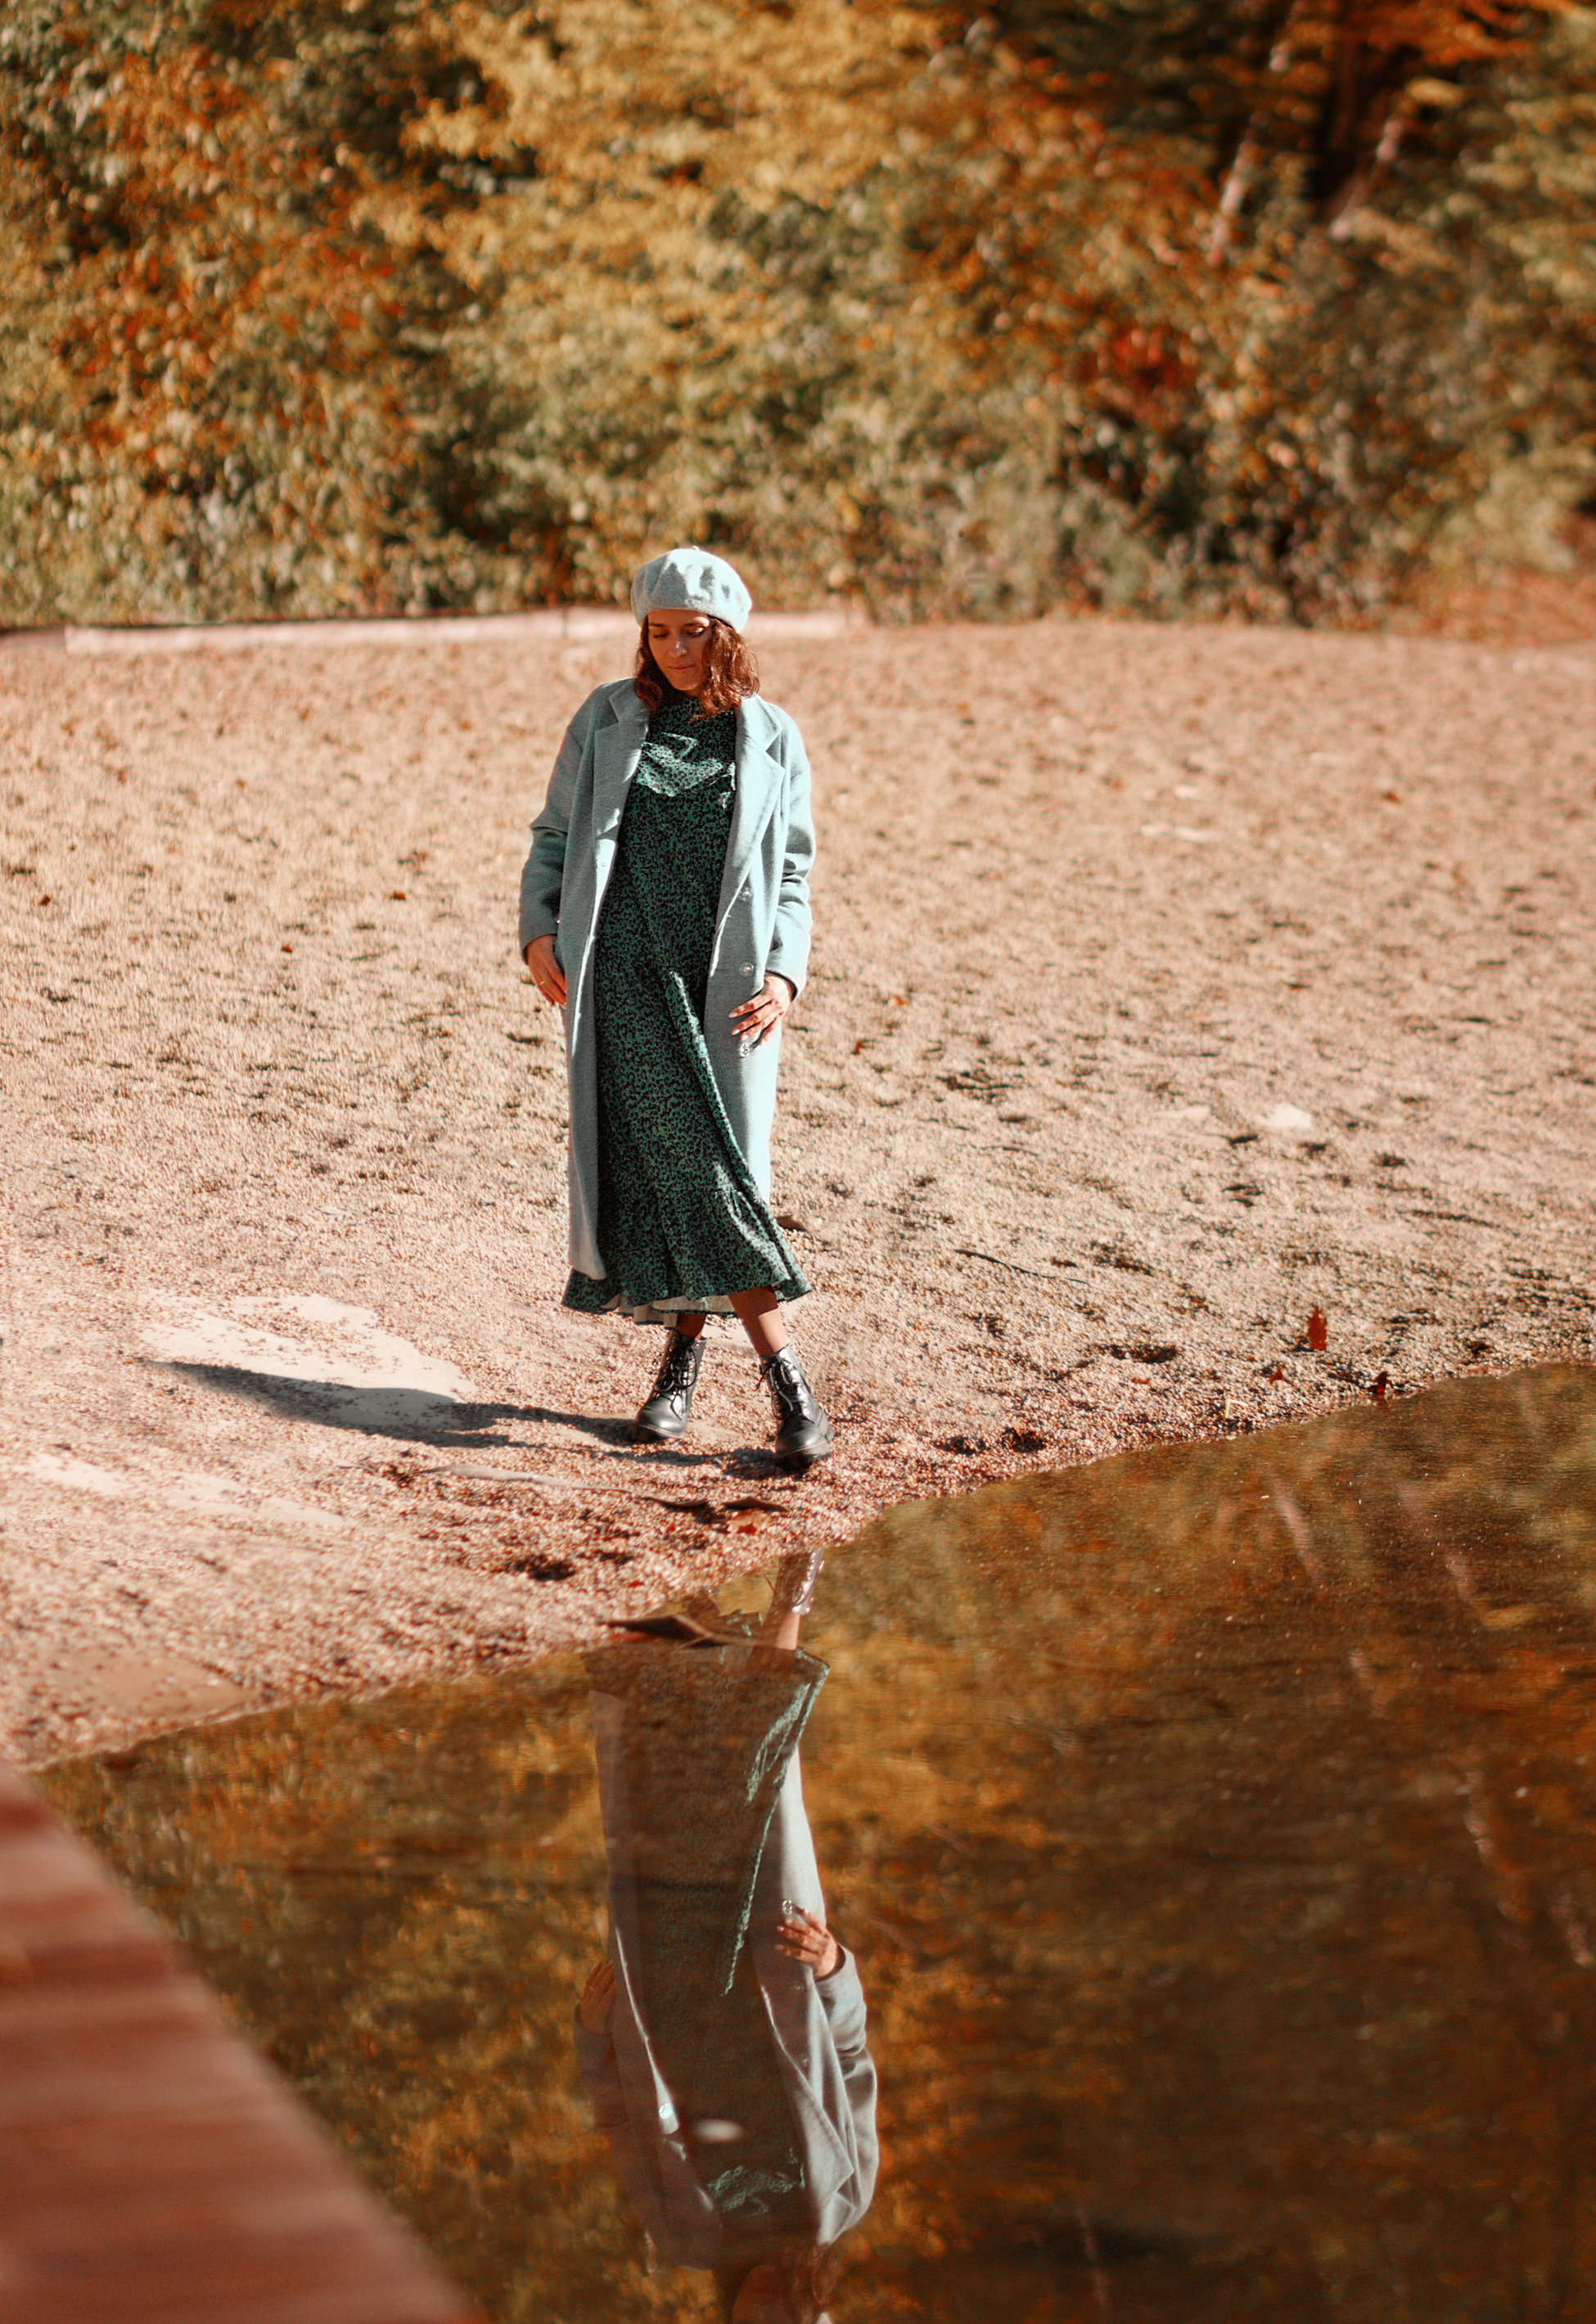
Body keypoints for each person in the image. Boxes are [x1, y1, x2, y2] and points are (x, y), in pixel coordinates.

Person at [519, 544, 833, 1467]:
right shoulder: (607, 718)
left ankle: (679, 1372)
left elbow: (794, 874)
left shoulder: (772, 736)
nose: (671, 653)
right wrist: (539, 932)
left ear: (726, 635)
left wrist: (783, 973)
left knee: (715, 1174)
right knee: (698, 1174)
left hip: (729, 991)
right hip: (622, 977)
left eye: (691, 635)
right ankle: (790, 1391)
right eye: (656, 634)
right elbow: (555, 835)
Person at [575, 1555, 877, 2322]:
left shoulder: (682, 2236)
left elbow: (617, 2120)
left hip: (670, 1990)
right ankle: (790, 1598)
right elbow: (850, 2058)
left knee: (652, 1800)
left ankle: (675, 1599)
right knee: (762, 1779)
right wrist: (835, 1965)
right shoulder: (842, 2200)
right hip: (779, 1965)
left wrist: (591, 2031)